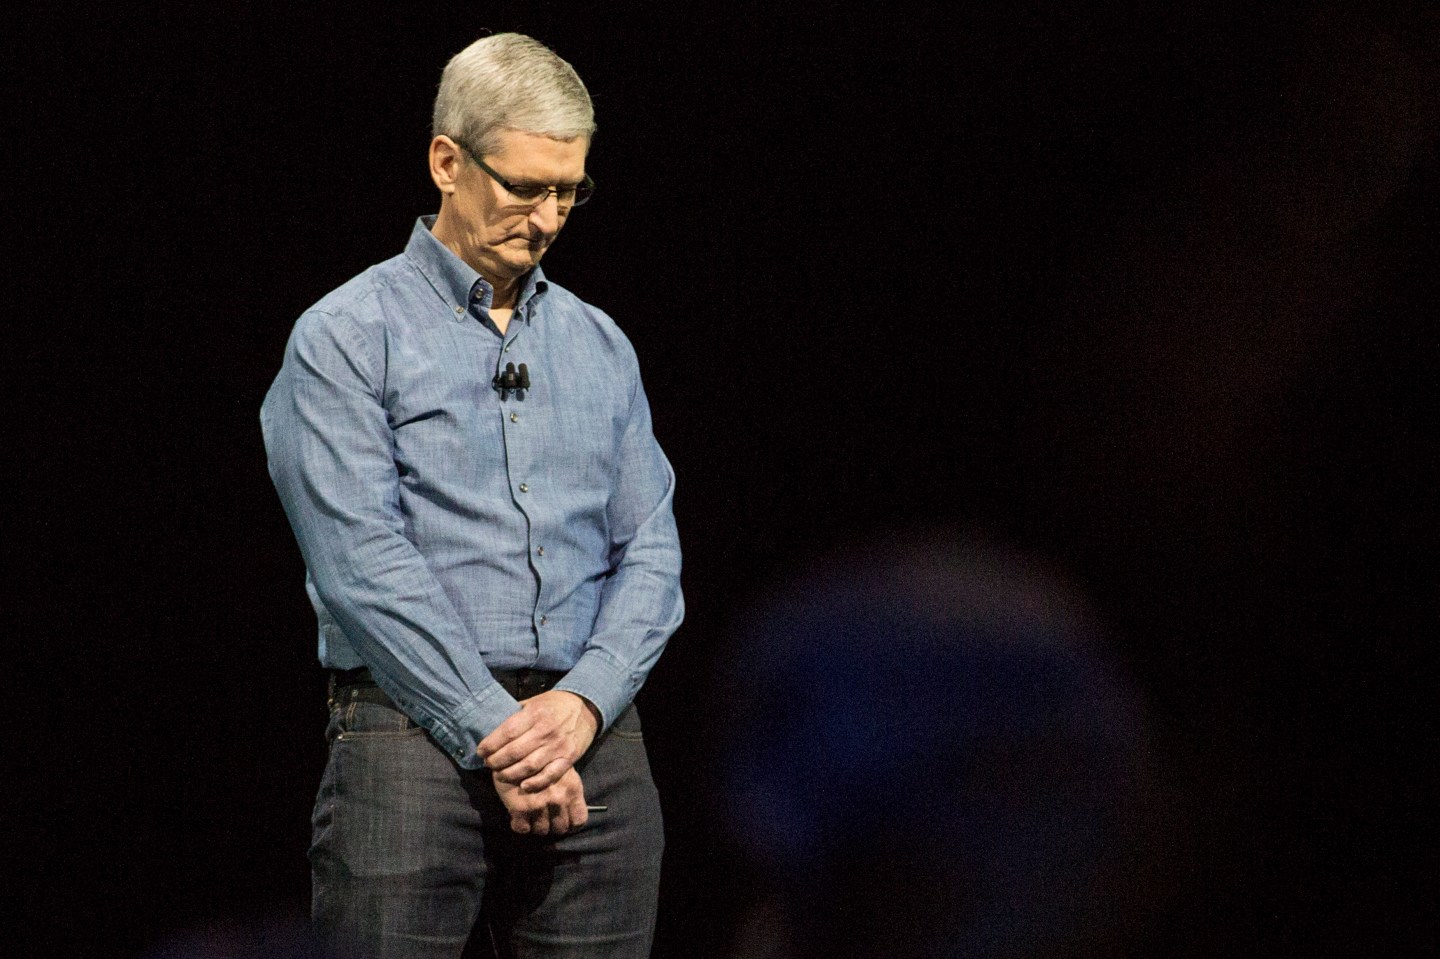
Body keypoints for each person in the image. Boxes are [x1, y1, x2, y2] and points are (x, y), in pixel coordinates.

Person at [260, 33, 683, 959]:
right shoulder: (345, 336)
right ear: (447, 162)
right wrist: (498, 728)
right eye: (525, 186)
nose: (550, 216)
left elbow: (652, 550)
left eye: (569, 190)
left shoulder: (602, 345)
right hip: (409, 734)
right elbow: (360, 562)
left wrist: (583, 704)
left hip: (594, 746)